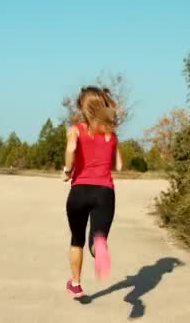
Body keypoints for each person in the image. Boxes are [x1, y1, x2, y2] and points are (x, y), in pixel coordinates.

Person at [62, 86, 123, 298]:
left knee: (76, 238)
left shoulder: (75, 129)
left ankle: (76, 284)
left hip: (79, 191)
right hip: (105, 192)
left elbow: (71, 150)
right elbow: (119, 166)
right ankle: (99, 248)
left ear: (83, 107)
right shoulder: (111, 135)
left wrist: (68, 171)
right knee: (98, 237)